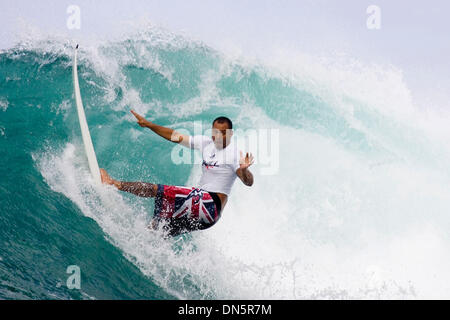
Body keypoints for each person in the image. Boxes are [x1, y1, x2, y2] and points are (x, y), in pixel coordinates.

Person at [100, 110, 254, 237]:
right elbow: (175, 136)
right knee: (158, 228)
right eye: (215, 132)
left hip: (211, 204)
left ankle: (114, 183)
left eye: (222, 133)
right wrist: (149, 125)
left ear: (231, 133)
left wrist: (245, 170)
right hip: (205, 216)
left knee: (158, 190)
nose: (217, 136)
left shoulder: (233, 154)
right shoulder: (206, 143)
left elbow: (248, 181)